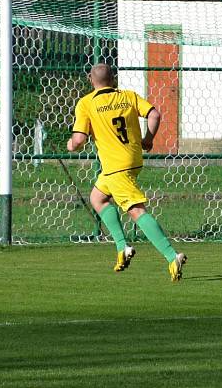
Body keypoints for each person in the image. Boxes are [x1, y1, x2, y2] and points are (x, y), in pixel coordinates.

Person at [66, 64, 187, 281]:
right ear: (113, 79)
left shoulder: (86, 103)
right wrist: (148, 139)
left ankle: (172, 256)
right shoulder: (128, 96)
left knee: (136, 211)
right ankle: (122, 247)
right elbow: (155, 115)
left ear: (91, 80)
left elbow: (79, 139)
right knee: (97, 197)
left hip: (116, 168)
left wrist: (71, 145)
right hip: (131, 160)